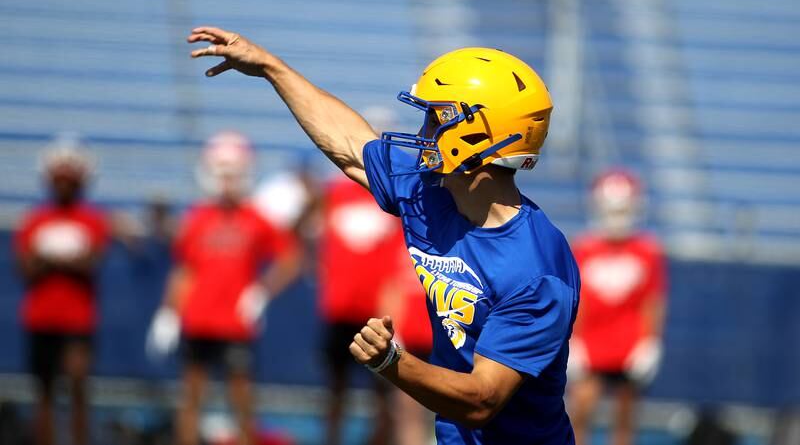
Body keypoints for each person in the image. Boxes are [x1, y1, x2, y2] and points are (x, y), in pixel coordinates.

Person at [188, 26, 580, 444]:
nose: (423, 134)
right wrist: (271, 67)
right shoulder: (432, 192)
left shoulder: (536, 271)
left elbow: (482, 399)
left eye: (435, 119)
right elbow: (349, 145)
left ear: (477, 136)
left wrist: (393, 362)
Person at [146, 131, 301, 445]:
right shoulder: (197, 219)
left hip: (235, 324)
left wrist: (262, 291)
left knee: (241, 402)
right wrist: (169, 312)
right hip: (198, 320)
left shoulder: (257, 218)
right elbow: (184, 271)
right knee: (191, 397)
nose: (228, 182)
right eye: (222, 174)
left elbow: (292, 259)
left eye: (234, 174)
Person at [14, 137, 109, 445]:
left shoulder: (92, 220)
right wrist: (57, 259)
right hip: (41, 318)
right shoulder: (35, 220)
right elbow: (25, 268)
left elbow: (92, 261)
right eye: (60, 179)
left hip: (78, 319)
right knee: (44, 390)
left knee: (78, 385)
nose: (64, 186)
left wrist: (50, 257)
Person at [567, 169, 667, 445]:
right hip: (592, 344)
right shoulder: (584, 248)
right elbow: (579, 299)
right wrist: (574, 341)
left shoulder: (647, 250)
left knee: (625, 417)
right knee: (581, 411)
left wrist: (650, 342)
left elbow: (653, 300)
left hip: (629, 344)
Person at [316, 171, 403, 445]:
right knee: (336, 390)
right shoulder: (334, 192)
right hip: (340, 310)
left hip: (375, 313)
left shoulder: (391, 197)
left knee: (384, 391)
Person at [379, 237, 434, 445]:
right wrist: (392, 337)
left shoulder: (459, 236)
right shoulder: (397, 242)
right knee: (408, 412)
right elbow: (390, 288)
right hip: (410, 342)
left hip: (449, 341)